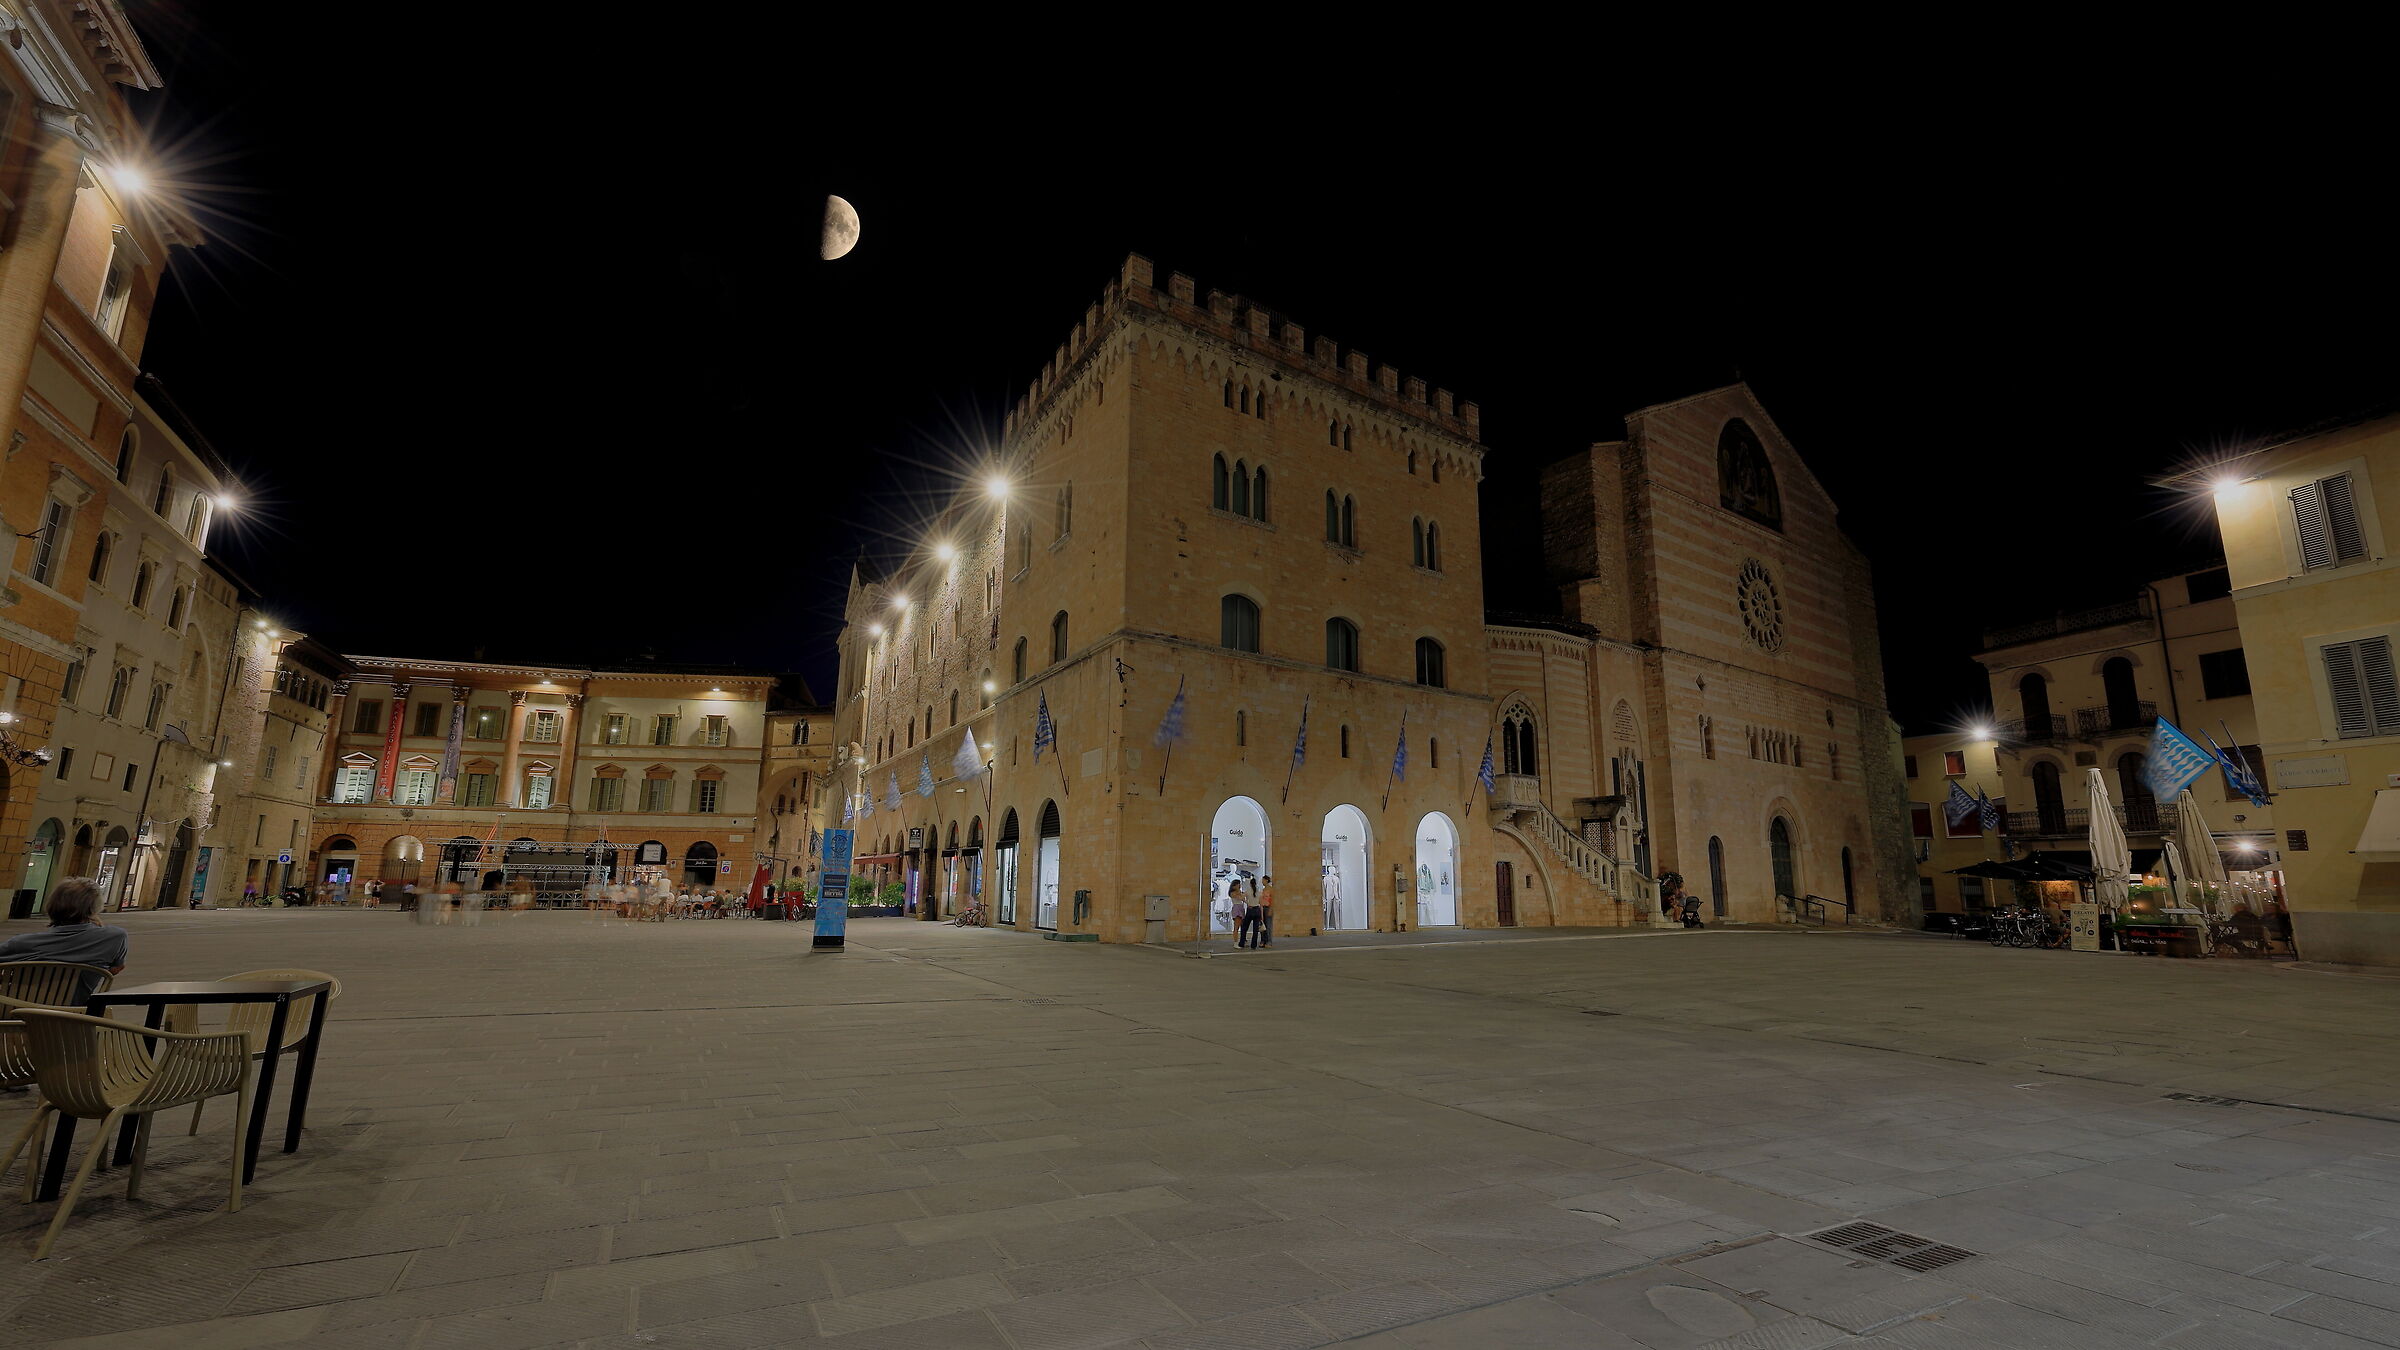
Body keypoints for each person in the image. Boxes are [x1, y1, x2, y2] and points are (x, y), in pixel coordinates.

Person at [1, 878, 129, 1002]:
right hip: (70, 1017)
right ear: (95, 908)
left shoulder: (20, 944)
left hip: (16, 1015)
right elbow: (116, 968)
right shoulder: (115, 937)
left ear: (52, 905)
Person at [1254, 876, 1275, 947]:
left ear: (1266, 880)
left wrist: (1271, 909)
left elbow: (1273, 900)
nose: (1262, 881)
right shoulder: (1263, 890)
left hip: (1268, 908)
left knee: (1268, 925)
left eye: (1263, 880)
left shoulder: (1271, 889)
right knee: (1262, 925)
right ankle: (1263, 940)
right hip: (1262, 908)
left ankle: (1269, 941)